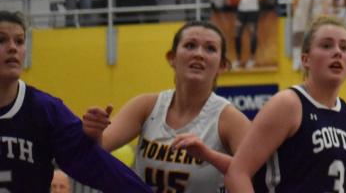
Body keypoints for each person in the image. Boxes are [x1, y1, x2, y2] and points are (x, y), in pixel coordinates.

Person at [81, 21, 251, 192]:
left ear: (222, 66)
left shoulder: (230, 119)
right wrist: (94, 133)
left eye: (210, 49)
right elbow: (100, 146)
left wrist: (208, 155)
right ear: (172, 58)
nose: (199, 54)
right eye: (190, 45)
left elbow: (254, 173)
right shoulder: (145, 106)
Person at [0, 10, 152, 192]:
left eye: (19, 41)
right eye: (1, 40)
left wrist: (89, 138)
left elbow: (96, 164)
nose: (13, 48)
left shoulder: (46, 110)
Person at [224, 15, 346, 192]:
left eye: (344, 47)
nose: (337, 52)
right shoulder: (289, 104)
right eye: (326, 45)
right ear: (305, 59)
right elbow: (237, 173)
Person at [231, 0, 275, 69]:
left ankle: (252, 58)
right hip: (242, 8)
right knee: (237, 33)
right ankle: (238, 59)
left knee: (252, 33)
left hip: (253, 9)